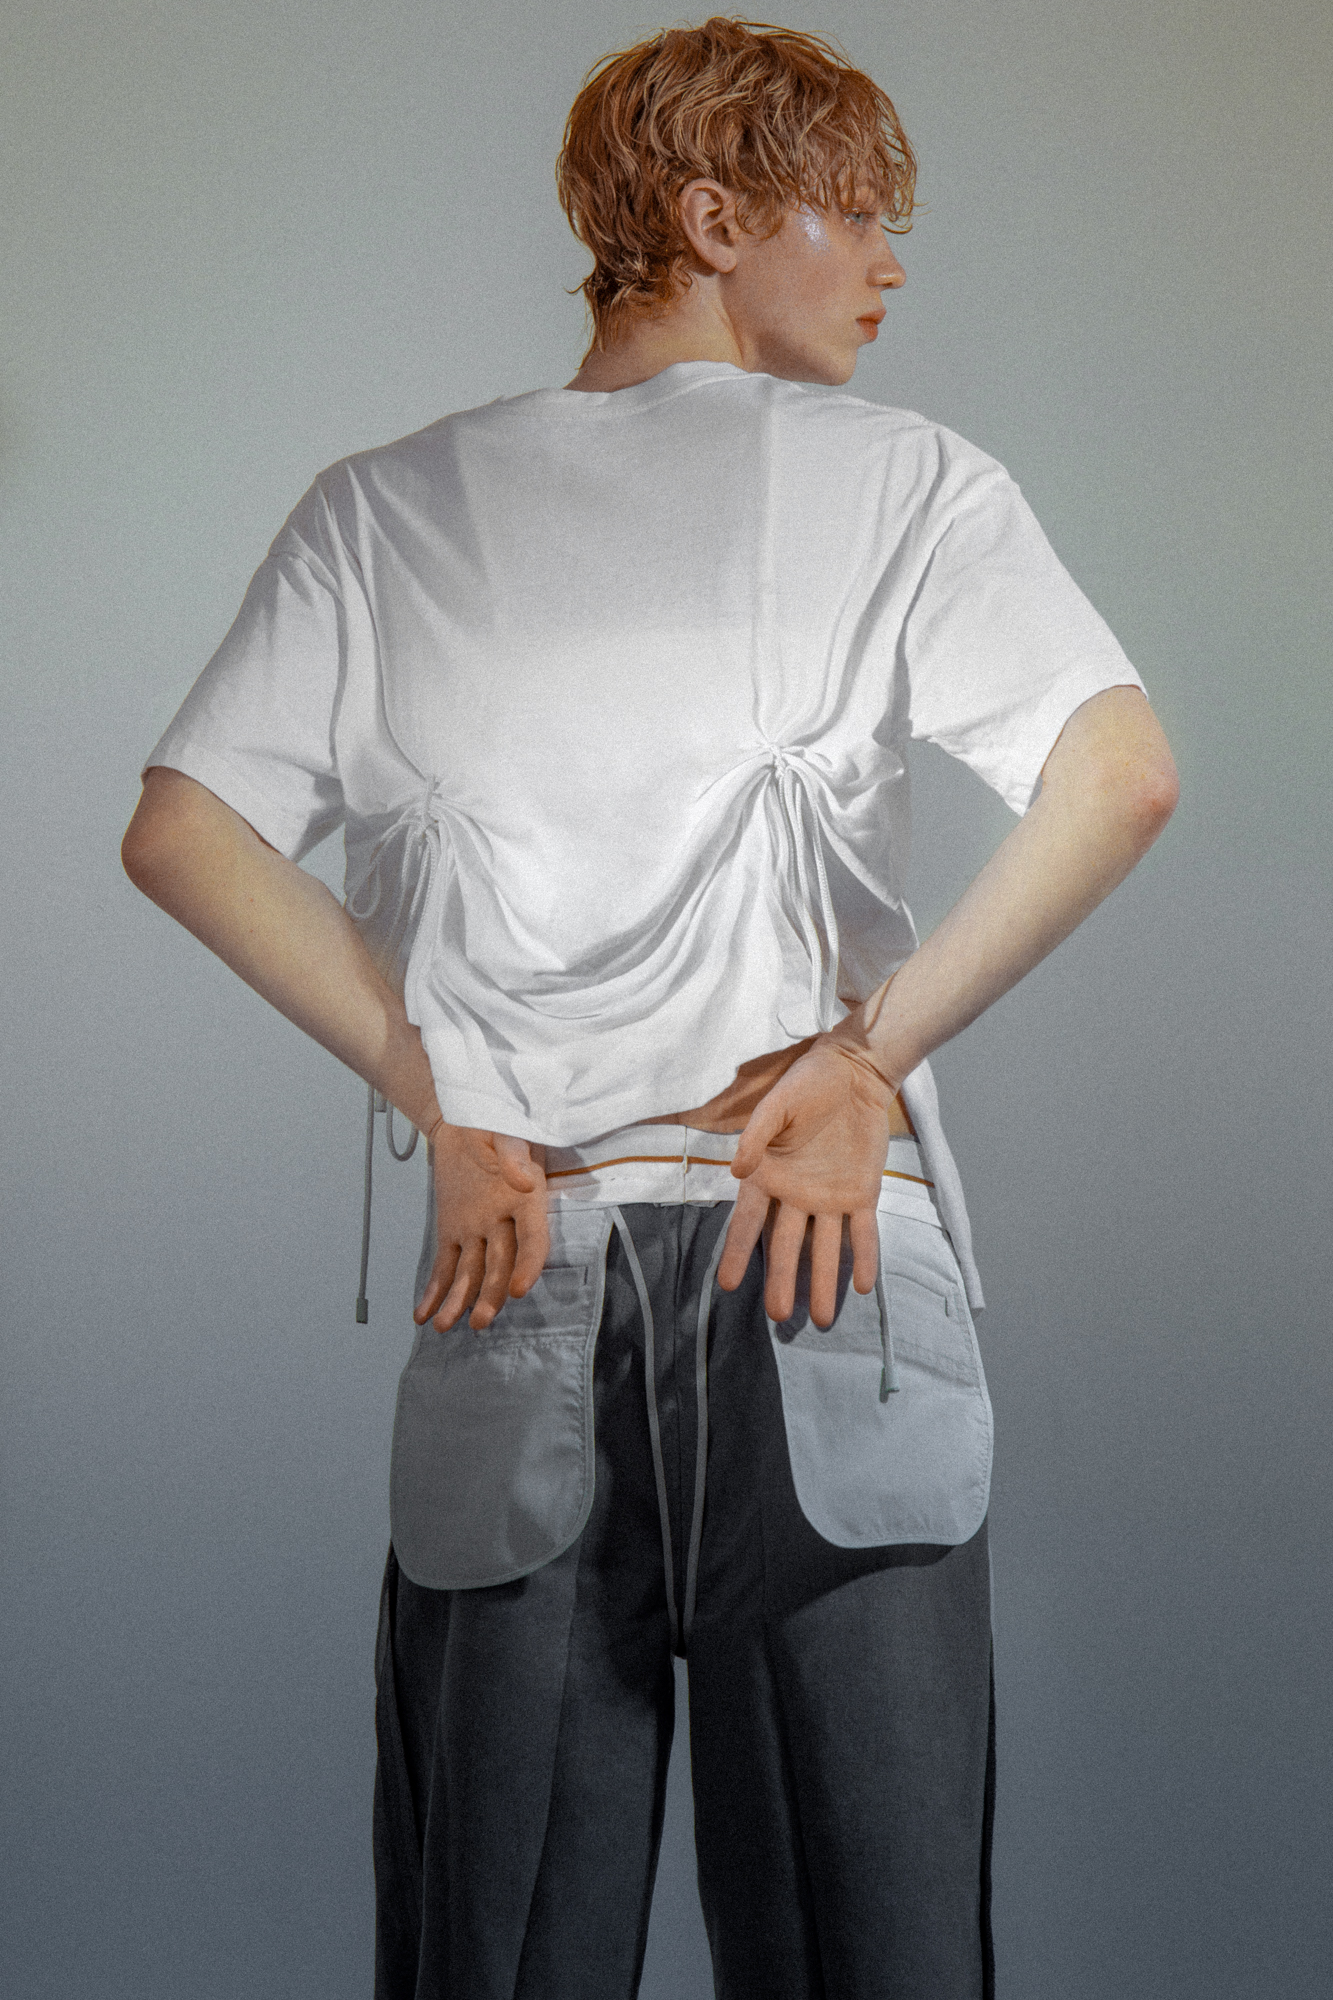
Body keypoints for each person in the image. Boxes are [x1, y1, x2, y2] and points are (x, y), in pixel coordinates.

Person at [121, 17, 1178, 1998]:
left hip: (526, 1250)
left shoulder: (380, 507)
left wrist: (451, 1101)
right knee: (875, 1947)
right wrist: (863, 1062)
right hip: (818, 1258)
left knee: (496, 1941)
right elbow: (1118, 778)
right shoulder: (908, 480)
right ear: (711, 218)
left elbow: (182, 833)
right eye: (856, 214)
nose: (891, 264)